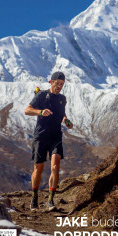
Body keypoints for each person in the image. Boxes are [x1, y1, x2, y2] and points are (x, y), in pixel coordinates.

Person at [24, 71, 73, 211]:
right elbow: (27, 110)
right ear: (51, 82)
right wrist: (40, 112)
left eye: (62, 84)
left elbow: (62, 114)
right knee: (38, 169)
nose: (59, 86)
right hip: (40, 136)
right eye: (57, 83)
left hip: (56, 136)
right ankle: (34, 199)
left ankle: (50, 201)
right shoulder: (41, 95)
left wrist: (66, 121)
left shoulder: (62, 99)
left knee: (55, 165)